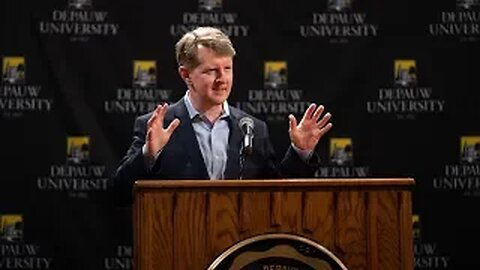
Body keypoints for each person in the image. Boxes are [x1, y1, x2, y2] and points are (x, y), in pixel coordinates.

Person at [112, 26, 333, 205]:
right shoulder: (156, 126)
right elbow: (121, 191)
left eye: (227, 69)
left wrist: (300, 152)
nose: (222, 79)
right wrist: (149, 154)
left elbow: (277, 194)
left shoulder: (252, 128)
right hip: (177, 248)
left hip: (239, 251)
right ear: (186, 75)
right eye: (211, 71)